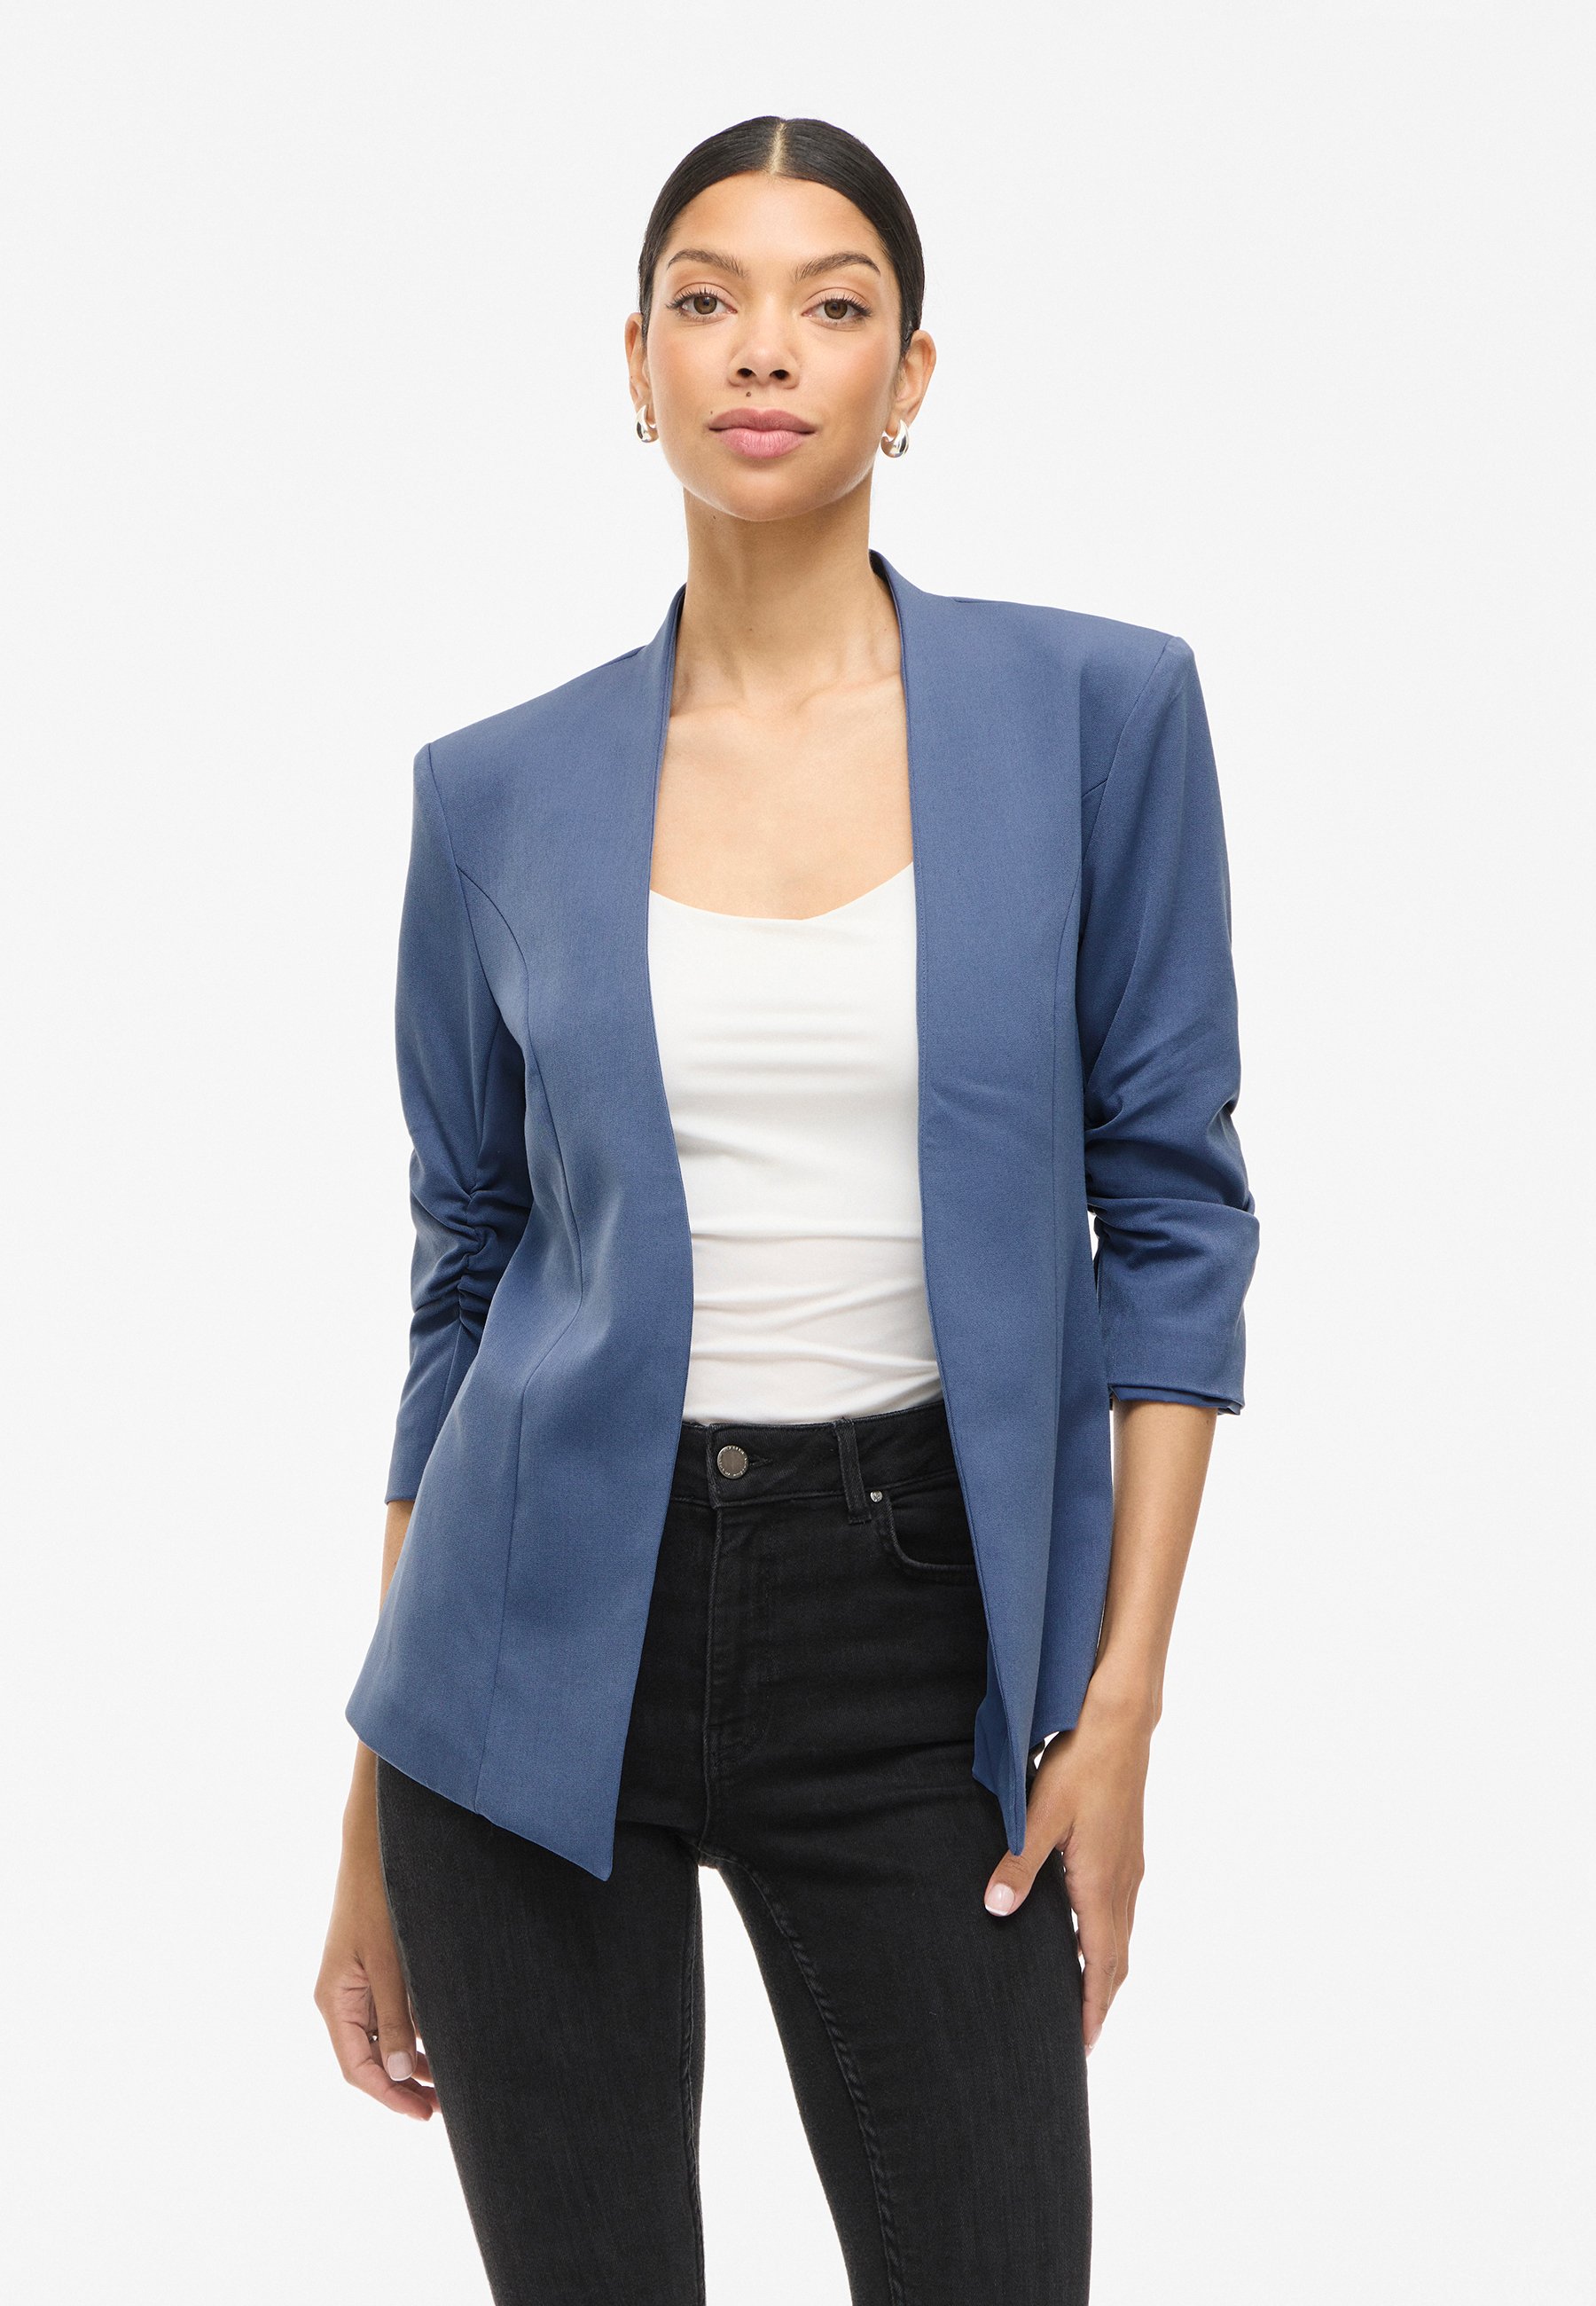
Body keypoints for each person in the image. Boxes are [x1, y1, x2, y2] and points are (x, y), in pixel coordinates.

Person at [315, 112, 1259, 2306]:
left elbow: (1171, 1217)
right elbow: (465, 1275)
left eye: (833, 304)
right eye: (707, 300)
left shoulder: (1098, 714)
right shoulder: (492, 791)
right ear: (634, 361)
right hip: (529, 1633)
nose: (765, 349)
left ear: (909, 376)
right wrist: (372, 1791)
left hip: (915, 1626)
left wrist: (1118, 1708)